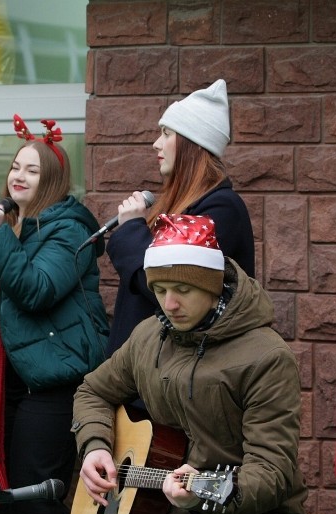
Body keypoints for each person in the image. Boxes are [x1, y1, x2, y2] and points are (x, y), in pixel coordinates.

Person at [50, 214, 309, 514]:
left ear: (212, 284)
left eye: (183, 290)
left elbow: (272, 472)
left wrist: (202, 492)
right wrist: (96, 447)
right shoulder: (147, 337)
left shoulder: (266, 356)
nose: (169, 305)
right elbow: (93, 391)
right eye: (159, 291)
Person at [0, 116, 110, 514]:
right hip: (13, 384)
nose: (17, 176)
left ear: (52, 181)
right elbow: (10, 302)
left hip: (56, 386)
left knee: (34, 499)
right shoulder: (17, 226)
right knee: (0, 498)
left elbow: (36, 289)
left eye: (32, 170)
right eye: (15, 167)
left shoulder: (69, 231)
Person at [104, 78, 254, 356]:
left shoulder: (221, 209)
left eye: (166, 133)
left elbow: (170, 287)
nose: (155, 143)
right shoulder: (185, 205)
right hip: (148, 378)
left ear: (191, 143)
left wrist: (132, 229)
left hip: (173, 384)